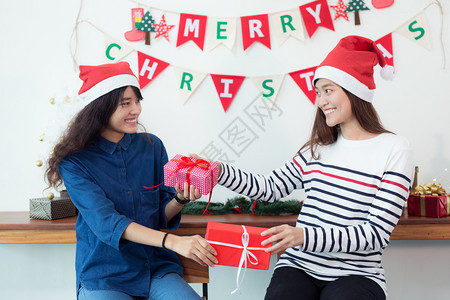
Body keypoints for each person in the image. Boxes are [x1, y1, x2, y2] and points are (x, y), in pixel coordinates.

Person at [195, 35, 414, 300]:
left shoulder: (394, 149)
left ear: (354, 89)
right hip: (299, 265)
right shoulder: (317, 148)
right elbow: (270, 188)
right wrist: (219, 170)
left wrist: (303, 235)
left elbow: (374, 234)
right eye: (318, 92)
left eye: (328, 89)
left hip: (357, 273)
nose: (321, 101)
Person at [45, 62, 217, 300]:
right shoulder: (74, 162)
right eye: (125, 103)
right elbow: (108, 224)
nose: (135, 109)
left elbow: (158, 216)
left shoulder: (152, 146)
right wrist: (174, 242)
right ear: (100, 107)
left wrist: (179, 199)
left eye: (137, 101)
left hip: (155, 270)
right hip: (105, 277)